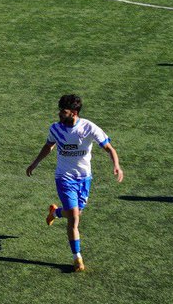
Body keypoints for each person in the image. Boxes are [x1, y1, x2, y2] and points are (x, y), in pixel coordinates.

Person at [26, 94, 123, 272]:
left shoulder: (88, 128)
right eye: (60, 111)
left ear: (74, 113)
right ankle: (77, 257)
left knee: (76, 212)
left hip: (84, 178)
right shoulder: (55, 128)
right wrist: (35, 163)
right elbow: (49, 146)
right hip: (64, 178)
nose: (60, 114)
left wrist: (116, 165)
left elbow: (109, 148)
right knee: (75, 218)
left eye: (63, 112)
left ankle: (55, 212)